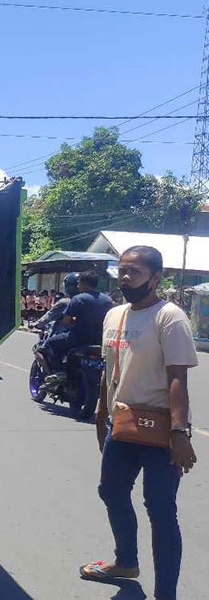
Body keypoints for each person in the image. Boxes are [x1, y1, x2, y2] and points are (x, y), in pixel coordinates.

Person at [80, 246, 198, 600]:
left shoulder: (170, 317)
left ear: (156, 278)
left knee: (160, 510)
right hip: (123, 423)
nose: (126, 278)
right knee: (111, 491)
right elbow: (109, 370)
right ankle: (126, 562)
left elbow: (178, 377)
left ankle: (166, 594)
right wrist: (101, 415)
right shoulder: (114, 315)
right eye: (122, 271)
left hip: (162, 430)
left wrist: (180, 433)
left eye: (135, 272)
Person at [42, 270, 114, 380]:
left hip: (77, 338)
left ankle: (59, 372)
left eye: (79, 283)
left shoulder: (78, 299)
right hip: (99, 340)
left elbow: (66, 321)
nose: (78, 286)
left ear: (84, 283)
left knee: (50, 344)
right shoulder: (108, 300)